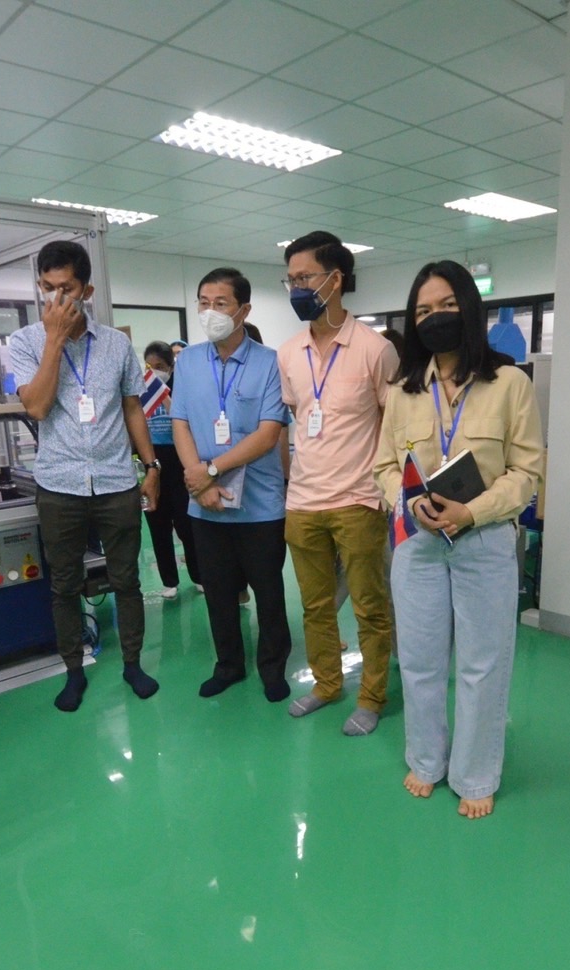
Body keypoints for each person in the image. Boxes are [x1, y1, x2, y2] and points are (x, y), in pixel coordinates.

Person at [376, 261, 542, 819]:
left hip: (485, 541)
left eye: (447, 305)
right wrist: (409, 503)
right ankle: (426, 760)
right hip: (418, 543)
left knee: (482, 665)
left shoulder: (510, 384)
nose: (436, 317)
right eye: (423, 310)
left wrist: (472, 511)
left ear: (469, 307)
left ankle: (475, 773)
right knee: (420, 661)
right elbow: (383, 466)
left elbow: (527, 472)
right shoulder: (403, 391)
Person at [10, 239, 162, 713]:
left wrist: (151, 466)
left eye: (67, 288)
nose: (57, 298)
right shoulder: (25, 342)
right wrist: (54, 340)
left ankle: (133, 664)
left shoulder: (117, 344)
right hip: (59, 485)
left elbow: (132, 408)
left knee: (127, 580)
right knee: (65, 585)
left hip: (116, 481)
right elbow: (36, 406)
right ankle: (74, 670)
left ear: (87, 291)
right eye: (48, 287)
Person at [276, 231, 399, 736]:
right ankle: (327, 684)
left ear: (335, 280)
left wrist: (385, 494)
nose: (296, 288)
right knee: (315, 607)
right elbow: (298, 417)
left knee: (370, 608)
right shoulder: (289, 353)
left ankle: (371, 696)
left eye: (304, 277)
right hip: (303, 502)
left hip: (358, 500)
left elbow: (392, 426)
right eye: (290, 279)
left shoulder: (376, 349)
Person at [170, 268, 293, 702]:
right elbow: (180, 423)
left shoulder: (270, 362)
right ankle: (228, 665)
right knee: (219, 592)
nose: (210, 312)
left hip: (259, 503)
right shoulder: (188, 362)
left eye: (220, 303)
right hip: (205, 503)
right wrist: (197, 480)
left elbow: (268, 433)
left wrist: (210, 471)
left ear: (244, 310)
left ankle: (272, 668)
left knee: (269, 591)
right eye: (203, 302)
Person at [139, 341, 200, 599]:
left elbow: (188, 423)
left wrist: (165, 397)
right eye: (150, 366)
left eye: (160, 366)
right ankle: (169, 580)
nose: (154, 371)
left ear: (171, 367)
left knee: (186, 525)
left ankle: (198, 576)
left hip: (178, 462)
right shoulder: (140, 391)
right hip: (152, 463)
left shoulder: (181, 389)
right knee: (157, 524)